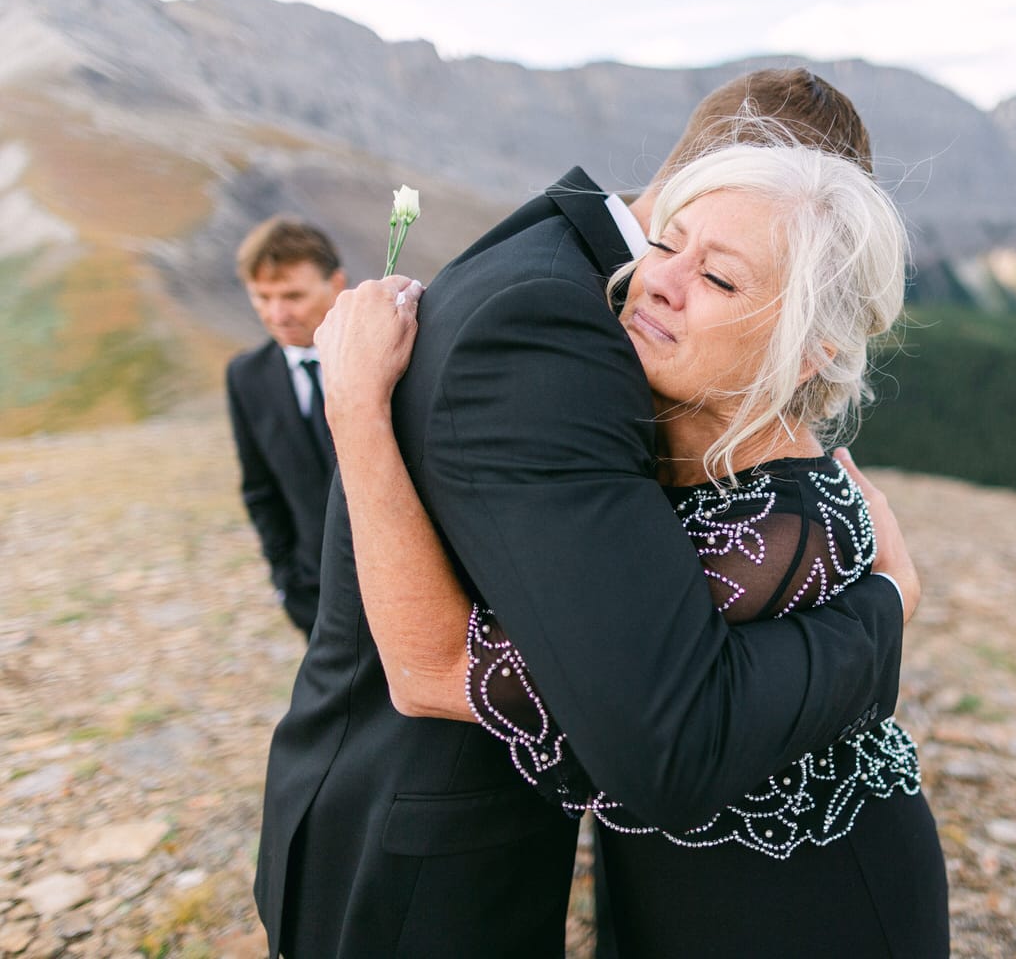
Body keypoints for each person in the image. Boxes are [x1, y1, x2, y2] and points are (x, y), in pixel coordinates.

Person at [254, 69, 921, 958]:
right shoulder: (557, 320)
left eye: (720, 275)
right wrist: (887, 610)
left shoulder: (765, 531)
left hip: (793, 908)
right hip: (599, 877)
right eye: (670, 241)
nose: (657, 282)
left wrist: (887, 609)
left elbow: (457, 673)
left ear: (806, 342)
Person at [225, 217, 344, 638]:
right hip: (316, 602)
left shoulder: (389, 351)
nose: (278, 314)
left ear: (336, 283)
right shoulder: (246, 376)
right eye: (263, 297)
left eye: (293, 295)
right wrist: (286, 584)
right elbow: (260, 491)